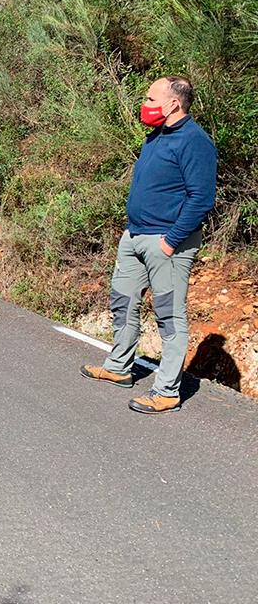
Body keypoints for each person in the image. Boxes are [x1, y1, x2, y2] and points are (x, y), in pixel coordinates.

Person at [80, 76, 217, 414]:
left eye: (151, 97)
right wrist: (131, 230)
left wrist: (170, 241)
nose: (146, 103)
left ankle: (167, 391)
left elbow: (201, 198)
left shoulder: (195, 141)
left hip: (168, 244)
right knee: (123, 303)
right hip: (135, 237)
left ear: (173, 104)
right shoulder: (155, 137)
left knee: (169, 316)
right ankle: (118, 368)